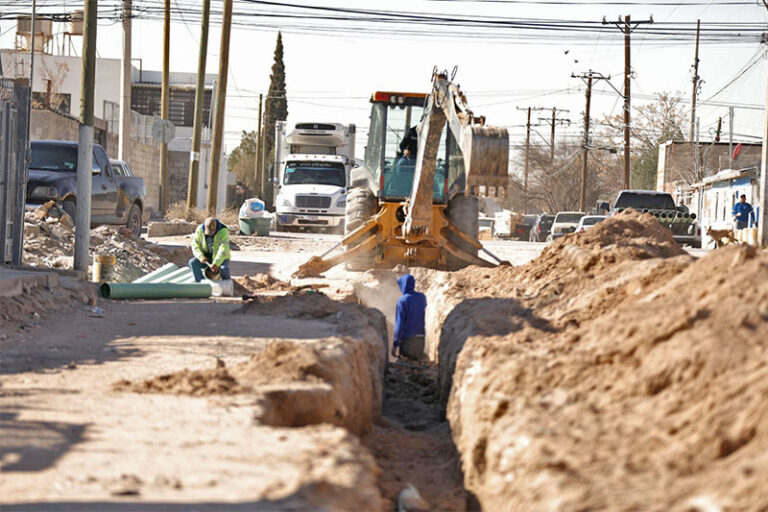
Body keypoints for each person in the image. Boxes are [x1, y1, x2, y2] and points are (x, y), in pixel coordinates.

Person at [392, 274, 427, 360]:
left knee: (406, 364)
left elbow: (399, 324)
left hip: (407, 340)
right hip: (421, 338)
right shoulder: (422, 297)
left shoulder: (402, 301)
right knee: (417, 363)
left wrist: (395, 344)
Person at [189, 217, 231, 282]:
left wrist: (216, 263)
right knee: (193, 262)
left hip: (221, 258)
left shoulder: (223, 231)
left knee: (223, 268)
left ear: (216, 228)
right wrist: (201, 257)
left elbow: (223, 249)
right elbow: (195, 245)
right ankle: (201, 283)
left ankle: (228, 284)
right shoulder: (200, 229)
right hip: (207, 257)